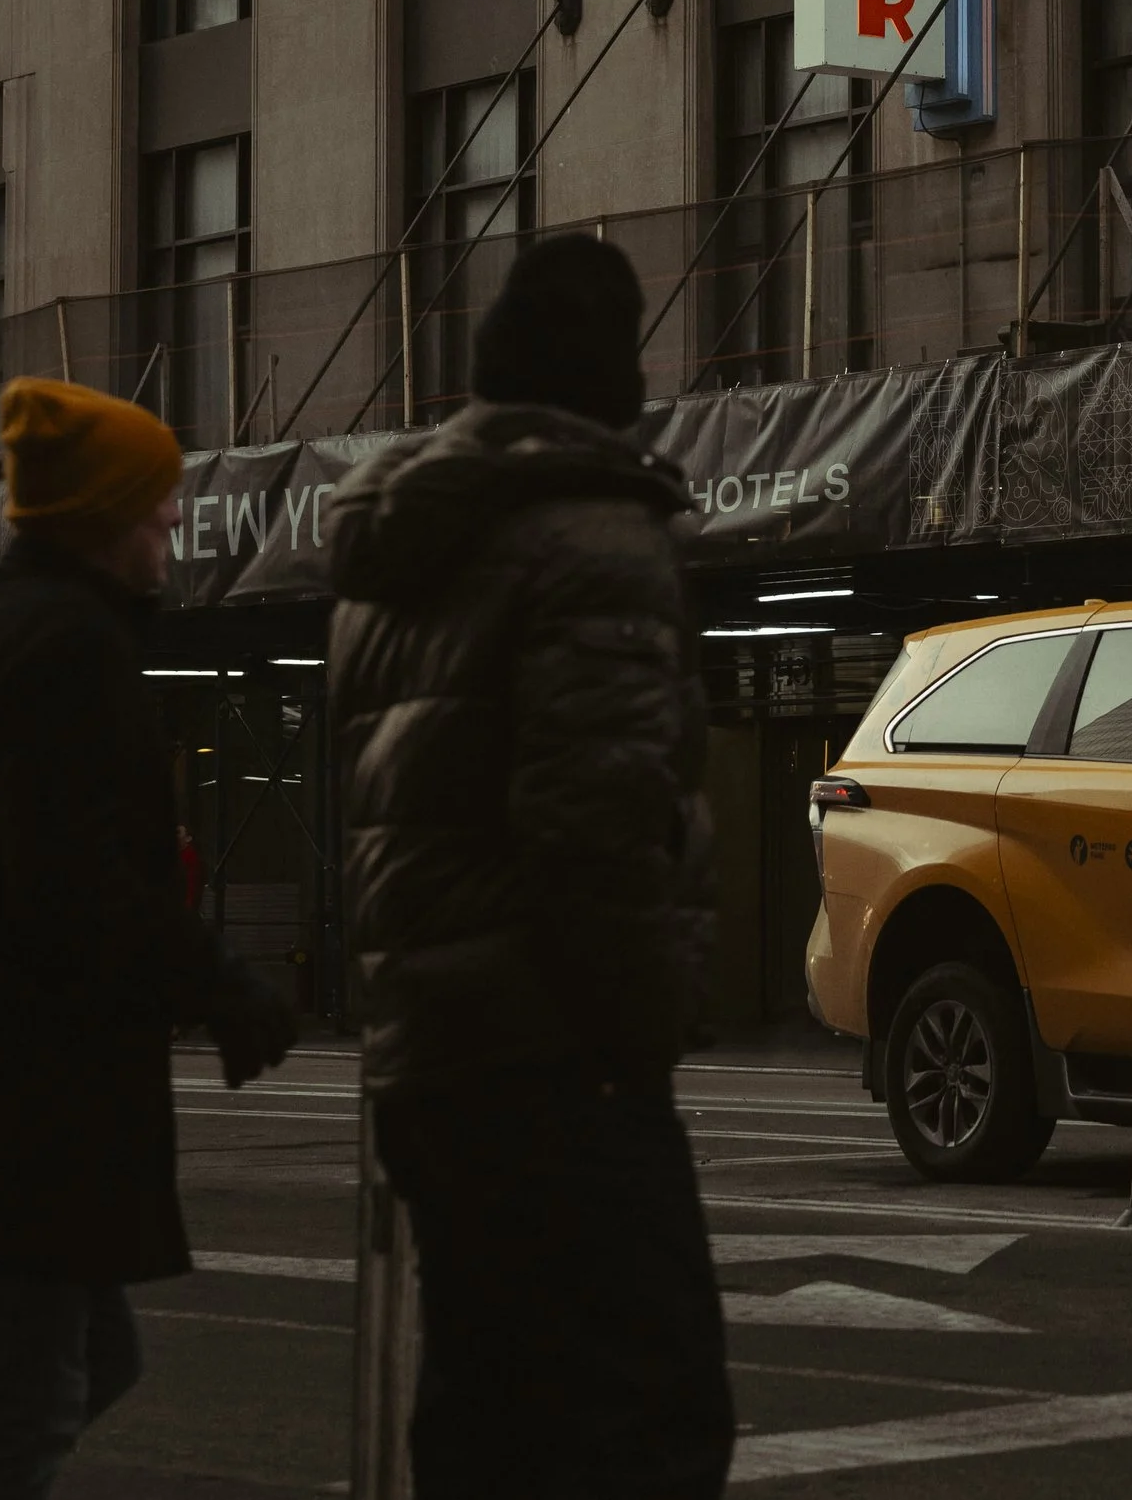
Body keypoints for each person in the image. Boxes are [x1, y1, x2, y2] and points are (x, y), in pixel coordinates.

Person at [0, 377, 296, 1498]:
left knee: (76, 1371)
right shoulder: (64, 650)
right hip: (5, 1097)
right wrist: (227, 987)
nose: (173, 525)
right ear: (101, 516)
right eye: (157, 506)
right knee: (34, 1399)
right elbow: (81, 884)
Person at [329, 231, 731, 1500]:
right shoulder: (594, 541)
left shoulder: (396, 557)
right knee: (653, 1414)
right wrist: (638, 1034)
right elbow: (595, 827)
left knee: (484, 1415)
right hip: (555, 1054)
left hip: (430, 1054)